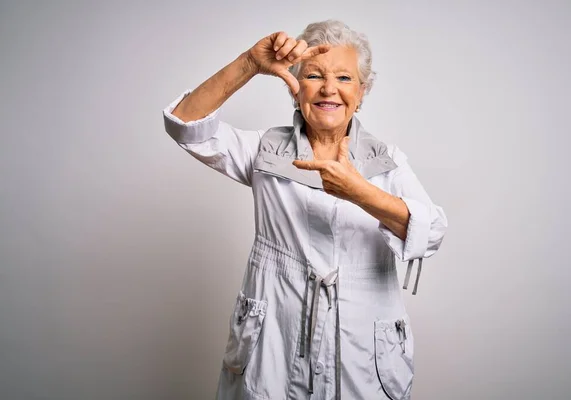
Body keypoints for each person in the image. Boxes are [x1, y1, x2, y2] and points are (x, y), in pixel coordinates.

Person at [163, 20, 447, 400]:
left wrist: (359, 192)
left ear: (361, 93)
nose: (330, 89)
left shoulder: (387, 162)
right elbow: (186, 125)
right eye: (314, 75)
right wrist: (250, 62)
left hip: (363, 353)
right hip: (274, 343)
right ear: (295, 89)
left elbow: (431, 233)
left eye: (344, 78)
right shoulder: (264, 150)